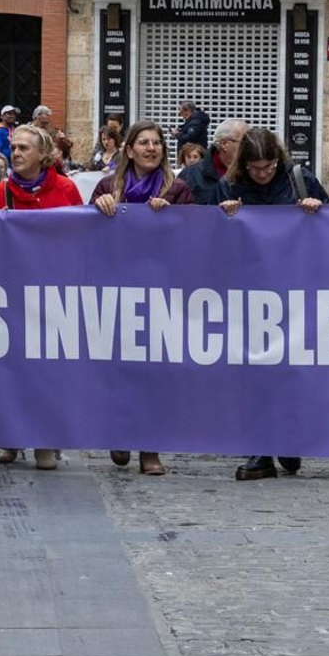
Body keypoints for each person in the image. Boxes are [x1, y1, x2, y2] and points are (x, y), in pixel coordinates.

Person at [218, 128, 329, 482]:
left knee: (290, 371)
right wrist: (224, 216)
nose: (262, 174)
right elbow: (209, 234)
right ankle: (261, 449)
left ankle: (288, 438)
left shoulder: (299, 179)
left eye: (268, 167)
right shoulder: (230, 185)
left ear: (278, 160)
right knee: (254, 374)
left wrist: (315, 209)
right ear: (243, 165)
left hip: (294, 291)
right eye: (255, 168)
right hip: (250, 293)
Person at [89, 121, 196, 476]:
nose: (152, 148)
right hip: (115, 291)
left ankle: (150, 447)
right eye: (144, 143)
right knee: (117, 368)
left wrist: (174, 219)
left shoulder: (177, 189)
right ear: (129, 149)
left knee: (154, 372)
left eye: (157, 143)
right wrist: (98, 209)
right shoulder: (107, 187)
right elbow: (85, 238)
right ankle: (119, 433)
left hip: (161, 292)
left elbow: (197, 236)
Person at [0, 125, 80, 470]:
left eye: (24, 148)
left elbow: (81, 237)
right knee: (10, 369)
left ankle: (45, 439)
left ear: (43, 154)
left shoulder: (66, 190)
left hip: (54, 293)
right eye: (14, 148)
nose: (17, 153)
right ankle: (9, 434)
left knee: (49, 370)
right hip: (11, 294)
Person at [179, 118, 248, 206]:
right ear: (224, 144)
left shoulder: (253, 173)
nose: (249, 146)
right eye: (245, 141)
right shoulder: (190, 175)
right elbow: (177, 214)